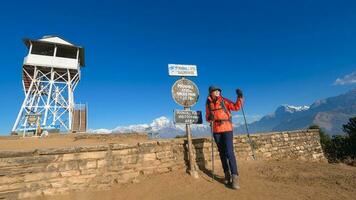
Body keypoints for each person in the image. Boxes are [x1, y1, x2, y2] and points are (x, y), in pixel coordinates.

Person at [206, 86, 243, 189]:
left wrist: (239, 97)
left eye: (218, 91)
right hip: (216, 131)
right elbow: (207, 117)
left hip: (227, 129)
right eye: (215, 91)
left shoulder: (224, 101)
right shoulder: (208, 103)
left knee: (229, 153)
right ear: (211, 93)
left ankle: (235, 177)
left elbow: (236, 107)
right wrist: (210, 118)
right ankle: (227, 174)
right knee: (222, 153)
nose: (217, 92)